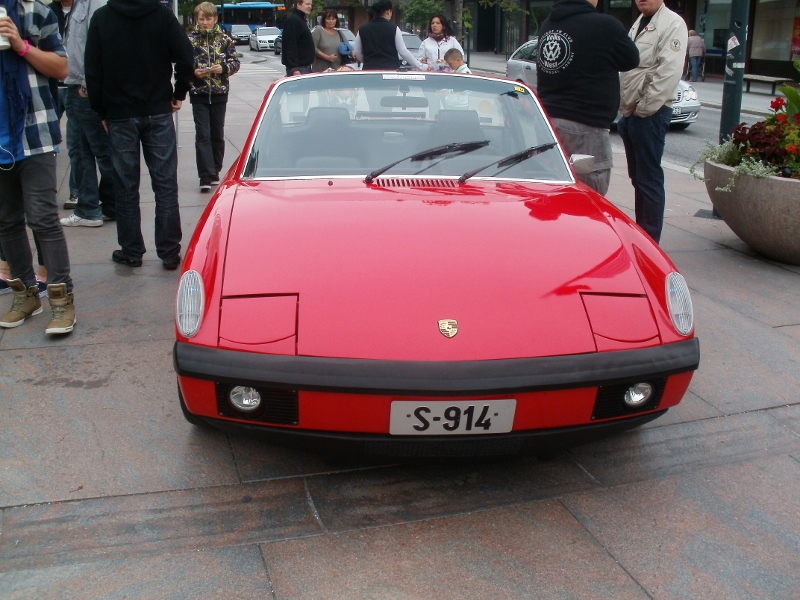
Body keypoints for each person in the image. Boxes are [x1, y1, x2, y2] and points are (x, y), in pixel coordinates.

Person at [85, 0, 193, 269]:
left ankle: (132, 250)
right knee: (165, 184)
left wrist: (101, 110)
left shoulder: (102, 18)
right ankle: (169, 252)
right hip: (157, 109)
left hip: (120, 112)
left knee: (125, 186)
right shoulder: (161, 15)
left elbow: (93, 70)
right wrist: (179, 92)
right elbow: (186, 56)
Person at [0, 0, 77, 334]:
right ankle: (26, 294)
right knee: (6, 221)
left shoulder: (35, 13)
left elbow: (62, 68)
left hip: (35, 136)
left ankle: (61, 300)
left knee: (43, 218)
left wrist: (21, 45)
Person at [536, 0, 639, 196]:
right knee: (588, 196)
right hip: (585, 126)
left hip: (547, 123)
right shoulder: (606, 26)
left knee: (551, 193)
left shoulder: (548, 25)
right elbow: (631, 59)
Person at [618, 0, 687, 244]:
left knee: (649, 180)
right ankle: (643, 234)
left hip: (650, 113)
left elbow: (668, 71)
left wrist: (644, 108)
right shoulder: (640, 22)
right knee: (639, 179)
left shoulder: (672, 23)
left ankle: (649, 243)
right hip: (631, 112)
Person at [61, 0, 119, 228]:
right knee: (84, 149)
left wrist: (87, 84)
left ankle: (93, 208)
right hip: (77, 84)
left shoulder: (94, 3)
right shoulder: (81, 3)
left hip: (84, 87)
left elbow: (99, 42)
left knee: (93, 150)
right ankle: (104, 206)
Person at [188, 1, 239, 192]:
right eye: (201, 19)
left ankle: (215, 169)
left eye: (208, 18)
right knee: (203, 134)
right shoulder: (191, 40)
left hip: (219, 93)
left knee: (217, 134)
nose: (204, 22)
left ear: (215, 19)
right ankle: (205, 175)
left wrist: (223, 68)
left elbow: (235, 63)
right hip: (199, 93)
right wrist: (194, 72)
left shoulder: (224, 40)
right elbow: (183, 64)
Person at [49, 0, 80, 210]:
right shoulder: (48, 12)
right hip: (52, 85)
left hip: (75, 85)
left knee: (76, 144)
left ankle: (76, 192)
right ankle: (44, 190)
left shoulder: (84, 9)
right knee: (47, 142)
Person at [352, 0, 425, 72]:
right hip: (390, 70)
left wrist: (368, 60)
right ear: (388, 12)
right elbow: (403, 51)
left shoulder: (362, 29)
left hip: (370, 70)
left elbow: (357, 52)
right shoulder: (394, 28)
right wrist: (421, 66)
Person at [281, 0, 315, 77]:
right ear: (298, 4)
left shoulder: (301, 19)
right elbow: (290, 45)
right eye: (307, 4)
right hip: (299, 69)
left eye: (311, 4)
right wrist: (294, 69)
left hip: (304, 67)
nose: (310, 7)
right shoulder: (293, 20)